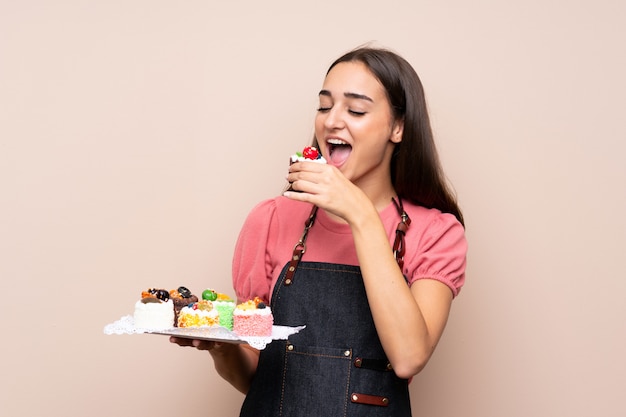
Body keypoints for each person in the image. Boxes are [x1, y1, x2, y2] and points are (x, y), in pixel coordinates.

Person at [171, 46, 467, 416]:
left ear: (398, 127)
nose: (332, 121)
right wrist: (222, 345)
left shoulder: (437, 232)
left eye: (356, 110)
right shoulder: (271, 220)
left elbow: (408, 357)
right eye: (325, 107)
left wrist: (361, 215)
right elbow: (259, 380)